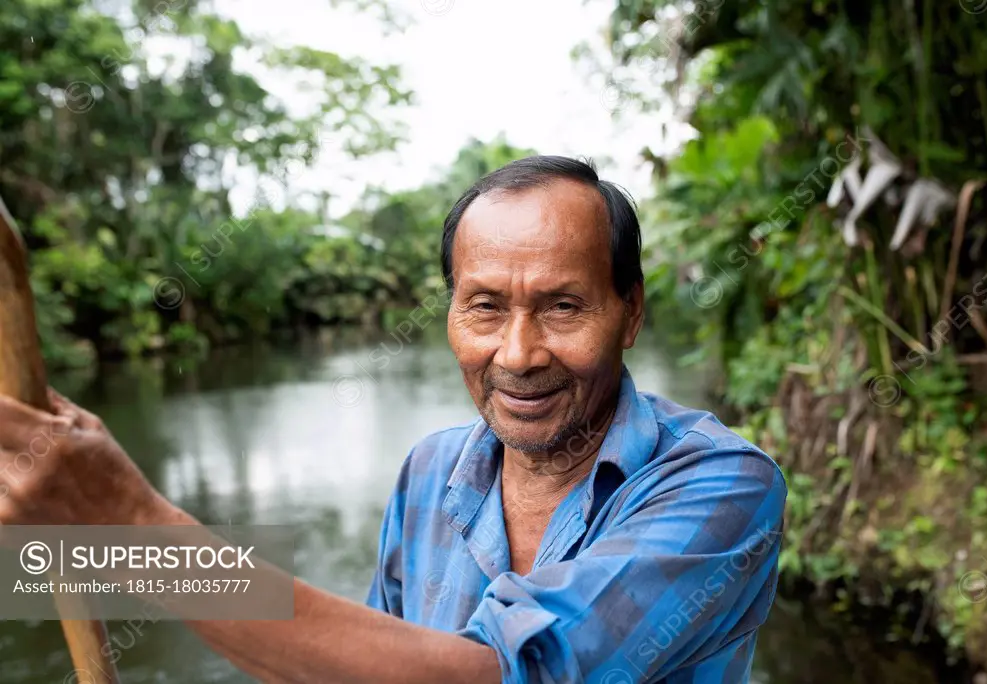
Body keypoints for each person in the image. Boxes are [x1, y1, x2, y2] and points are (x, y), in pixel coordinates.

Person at [0, 156, 787, 683]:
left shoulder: (723, 484)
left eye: (563, 307)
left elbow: (507, 674)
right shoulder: (431, 469)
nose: (517, 353)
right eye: (484, 307)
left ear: (631, 313)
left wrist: (134, 526)